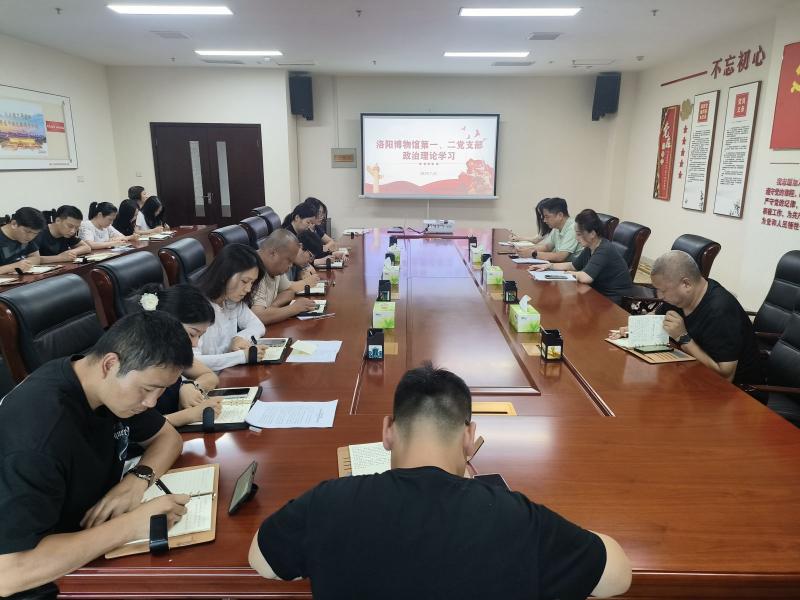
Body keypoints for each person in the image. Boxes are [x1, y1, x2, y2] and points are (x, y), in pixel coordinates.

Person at [249, 363, 631, 599]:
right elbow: (618, 577)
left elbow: (262, 561)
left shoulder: (330, 502)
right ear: (469, 437)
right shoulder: (514, 516)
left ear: (387, 431)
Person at [0, 311, 193, 599]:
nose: (152, 402)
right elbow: (9, 573)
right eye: (148, 389)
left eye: (161, 391)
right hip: (47, 578)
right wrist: (130, 526)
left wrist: (136, 480)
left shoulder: (109, 389)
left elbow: (168, 439)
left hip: (91, 544)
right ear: (110, 364)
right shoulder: (39, 435)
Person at [609, 250, 764, 386]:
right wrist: (634, 329)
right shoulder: (681, 297)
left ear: (686, 284)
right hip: (691, 373)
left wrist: (683, 338)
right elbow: (658, 315)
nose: (660, 296)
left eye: (663, 291)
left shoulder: (720, 311)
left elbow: (725, 376)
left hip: (739, 393)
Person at [135, 284, 222, 427]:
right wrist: (190, 415)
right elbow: (137, 429)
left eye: (200, 336)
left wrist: (189, 386)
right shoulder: (139, 361)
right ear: (167, 322)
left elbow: (210, 376)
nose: (195, 344)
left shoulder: (173, 354)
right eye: (192, 334)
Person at [530, 209, 635, 305]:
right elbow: (573, 265)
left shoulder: (604, 249)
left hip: (613, 300)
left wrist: (565, 274)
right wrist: (549, 266)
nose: (576, 238)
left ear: (592, 233)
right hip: (597, 293)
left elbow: (585, 277)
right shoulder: (590, 246)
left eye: (579, 234)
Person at [194, 243, 270, 371]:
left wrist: (239, 338)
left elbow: (258, 326)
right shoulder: (197, 307)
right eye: (244, 281)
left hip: (228, 372)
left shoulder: (231, 300)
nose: (248, 289)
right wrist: (242, 356)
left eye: (252, 282)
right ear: (225, 275)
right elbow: (193, 362)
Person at [252, 229, 319, 325]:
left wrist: (274, 306)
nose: (291, 265)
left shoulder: (274, 268)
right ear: (273, 253)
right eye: (289, 261)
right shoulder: (254, 269)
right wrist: (294, 308)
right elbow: (258, 317)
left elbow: (288, 292)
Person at [282, 203, 347, 268]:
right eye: (308, 222)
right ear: (297, 218)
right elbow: (296, 262)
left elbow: (318, 248)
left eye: (312, 223)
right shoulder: (287, 237)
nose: (310, 226)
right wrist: (317, 261)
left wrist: (331, 253)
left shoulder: (308, 230)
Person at [528, 197, 582, 263]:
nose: (544, 220)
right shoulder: (557, 227)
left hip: (574, 268)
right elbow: (547, 247)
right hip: (561, 265)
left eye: (547, 217)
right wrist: (526, 250)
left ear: (560, 215)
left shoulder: (573, 228)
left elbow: (560, 256)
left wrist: (533, 254)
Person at [0, 207, 45, 274]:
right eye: (27, 231)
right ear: (14, 224)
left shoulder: (25, 237)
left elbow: (36, 258)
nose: (30, 237)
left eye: (35, 233)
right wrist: (12, 267)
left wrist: (24, 264)